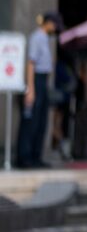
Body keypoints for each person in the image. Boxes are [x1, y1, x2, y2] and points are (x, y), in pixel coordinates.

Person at [16, 11, 61, 169]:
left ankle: (36, 156)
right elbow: (31, 63)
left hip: (43, 81)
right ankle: (24, 157)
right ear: (48, 22)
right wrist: (31, 88)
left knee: (41, 121)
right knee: (31, 121)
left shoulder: (44, 38)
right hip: (35, 80)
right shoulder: (36, 37)